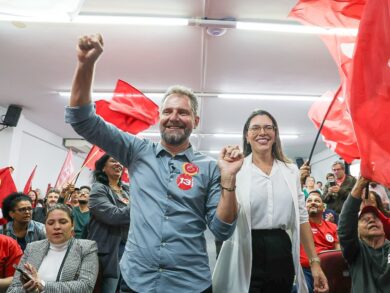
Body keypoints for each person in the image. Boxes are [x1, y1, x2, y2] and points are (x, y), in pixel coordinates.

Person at [65, 33, 242, 292]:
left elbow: (222, 230)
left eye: (183, 112)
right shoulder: (137, 151)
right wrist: (85, 65)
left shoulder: (210, 167)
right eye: (168, 111)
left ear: (196, 121)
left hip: (190, 283)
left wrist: (228, 179)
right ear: (159, 118)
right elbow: (82, 120)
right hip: (136, 280)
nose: (174, 117)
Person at [213, 110, 328, 293]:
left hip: (280, 248)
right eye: (255, 128)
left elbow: (302, 218)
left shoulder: (290, 170)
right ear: (247, 135)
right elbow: (226, 216)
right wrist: (229, 176)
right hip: (246, 246)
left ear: (275, 135)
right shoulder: (238, 169)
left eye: (268, 127)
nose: (262, 132)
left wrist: (315, 263)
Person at [7, 204, 99, 292]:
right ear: (45, 226)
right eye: (50, 223)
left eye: (63, 222)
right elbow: (12, 289)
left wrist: (42, 285)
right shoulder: (32, 248)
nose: (56, 227)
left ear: (72, 225)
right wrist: (29, 290)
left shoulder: (87, 247)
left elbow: (86, 287)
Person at [338, 176, 390, 292]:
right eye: (364, 219)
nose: (371, 220)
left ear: (383, 225)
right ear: (356, 229)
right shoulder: (355, 252)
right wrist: (359, 184)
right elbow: (345, 228)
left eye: (376, 218)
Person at [88, 155, 130, 292]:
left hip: (129, 250)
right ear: (103, 168)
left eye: (120, 161)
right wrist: (140, 206)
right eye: (113, 160)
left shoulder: (127, 190)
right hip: (108, 252)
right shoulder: (98, 189)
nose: (118, 164)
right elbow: (113, 216)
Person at [294, 190, 339, 293]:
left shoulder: (333, 227)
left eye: (317, 201)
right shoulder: (298, 225)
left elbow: (338, 252)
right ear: (304, 207)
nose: (313, 202)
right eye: (309, 201)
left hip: (328, 270)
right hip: (305, 270)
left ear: (324, 208)